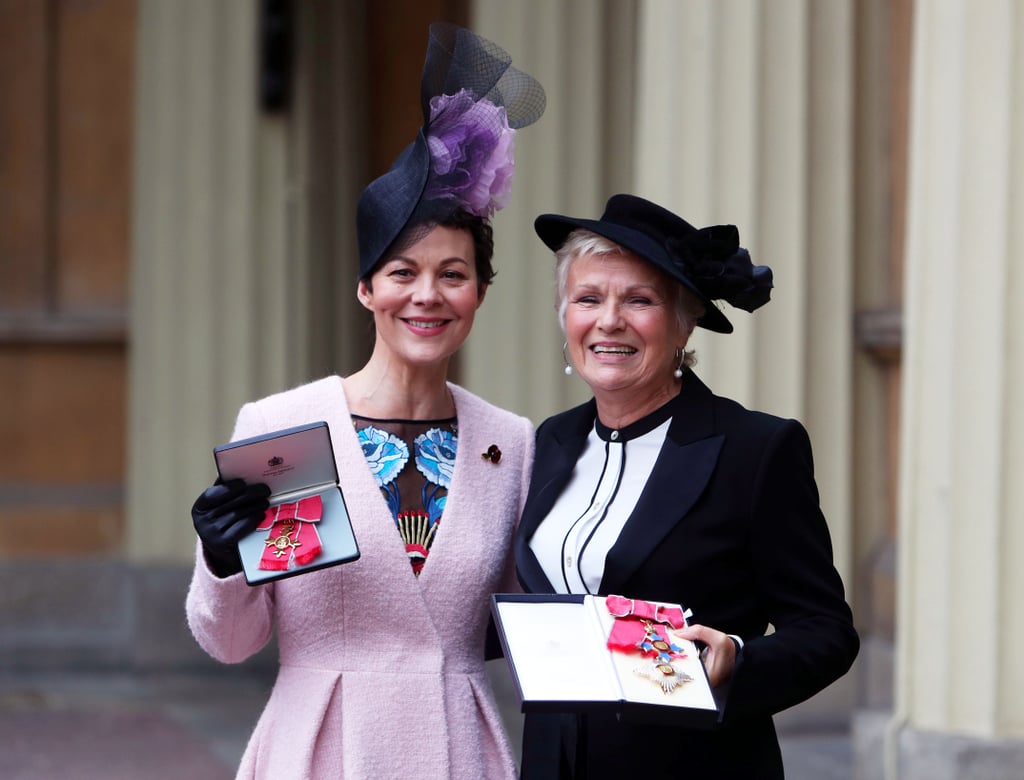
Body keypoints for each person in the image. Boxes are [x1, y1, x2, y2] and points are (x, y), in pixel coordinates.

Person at [186, 23, 545, 779]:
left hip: (460, 750)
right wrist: (225, 560)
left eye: (453, 273)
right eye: (402, 272)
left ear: (480, 292)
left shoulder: (509, 443)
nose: (427, 295)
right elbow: (230, 642)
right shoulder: (283, 428)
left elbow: (525, 629)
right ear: (366, 288)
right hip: (320, 749)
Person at [514, 194, 859, 779]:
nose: (609, 320)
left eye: (639, 301)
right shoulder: (549, 442)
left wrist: (738, 660)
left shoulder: (754, 449)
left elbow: (825, 632)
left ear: (683, 321)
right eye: (588, 299)